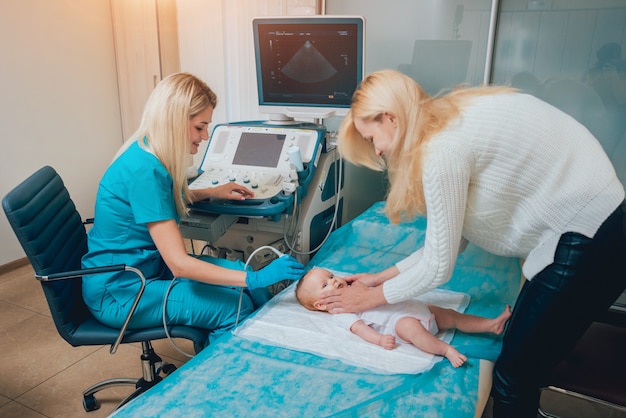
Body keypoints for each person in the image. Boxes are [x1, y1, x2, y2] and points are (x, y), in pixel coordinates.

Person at [322, 69, 626, 416]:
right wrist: (378, 278)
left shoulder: (441, 150)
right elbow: (454, 241)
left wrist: (369, 297)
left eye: (372, 138)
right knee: (524, 351)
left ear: (390, 117)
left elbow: (439, 265)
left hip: (590, 235)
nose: (377, 151)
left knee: (512, 376)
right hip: (603, 223)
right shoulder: (450, 117)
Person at [81, 72, 305, 348]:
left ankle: (264, 346)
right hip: (122, 291)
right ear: (175, 122)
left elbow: (157, 202)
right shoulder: (145, 170)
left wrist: (211, 191)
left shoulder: (148, 152)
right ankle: (220, 379)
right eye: (200, 127)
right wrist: (257, 276)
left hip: (145, 270)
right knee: (233, 307)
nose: (205, 136)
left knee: (243, 278)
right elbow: (180, 265)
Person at [296, 267, 512, 367]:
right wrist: (380, 339)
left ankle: (490, 325)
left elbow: (382, 286)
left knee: (451, 315)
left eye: (331, 276)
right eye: (325, 284)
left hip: (417, 308)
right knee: (410, 327)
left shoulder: (356, 285)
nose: (333, 280)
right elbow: (360, 328)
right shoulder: (340, 312)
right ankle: (445, 349)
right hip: (398, 325)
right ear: (321, 304)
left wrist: (371, 281)